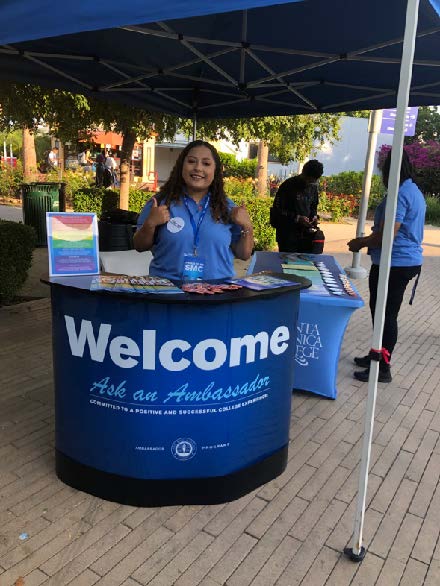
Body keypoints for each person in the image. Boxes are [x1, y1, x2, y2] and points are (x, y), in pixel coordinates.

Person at [347, 150, 426, 383]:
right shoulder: (413, 190)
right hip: (402, 262)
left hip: (395, 264)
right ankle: (375, 355)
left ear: (390, 170)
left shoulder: (401, 194)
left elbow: (387, 235)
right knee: (381, 313)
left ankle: (382, 368)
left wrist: (360, 243)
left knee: (385, 315)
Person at [134, 140, 254, 281]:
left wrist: (247, 226)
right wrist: (150, 224)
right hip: (167, 293)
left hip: (216, 294)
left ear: (215, 171)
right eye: (191, 161)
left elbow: (244, 254)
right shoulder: (160, 203)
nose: (198, 168)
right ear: (181, 166)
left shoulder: (227, 207)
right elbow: (139, 246)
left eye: (206, 164)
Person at [271, 160, 324, 252]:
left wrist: (314, 217)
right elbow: (277, 210)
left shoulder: (313, 187)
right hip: (287, 235)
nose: (310, 183)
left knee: (305, 264)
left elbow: (313, 206)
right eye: (308, 180)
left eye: (313, 181)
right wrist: (297, 218)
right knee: (287, 263)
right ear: (303, 173)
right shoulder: (287, 186)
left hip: (306, 235)